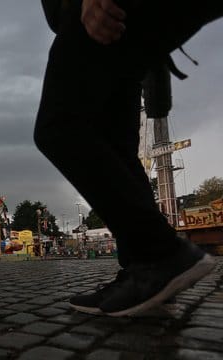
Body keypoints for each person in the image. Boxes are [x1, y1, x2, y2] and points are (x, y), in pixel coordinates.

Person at [35, 0, 222, 316]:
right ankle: (146, 272)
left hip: (97, 11)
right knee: (112, 142)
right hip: (105, 22)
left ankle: (160, 254)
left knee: (60, 125)